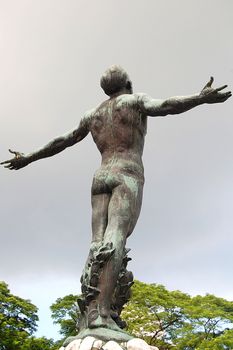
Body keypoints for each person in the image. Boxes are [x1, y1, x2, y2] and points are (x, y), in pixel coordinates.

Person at [1, 66, 231, 331]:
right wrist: (199, 98)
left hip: (100, 177)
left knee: (96, 243)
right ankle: (100, 313)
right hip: (126, 173)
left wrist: (29, 157)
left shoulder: (93, 115)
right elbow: (166, 106)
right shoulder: (134, 101)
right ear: (128, 83)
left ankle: (94, 311)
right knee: (116, 236)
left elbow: (62, 140)